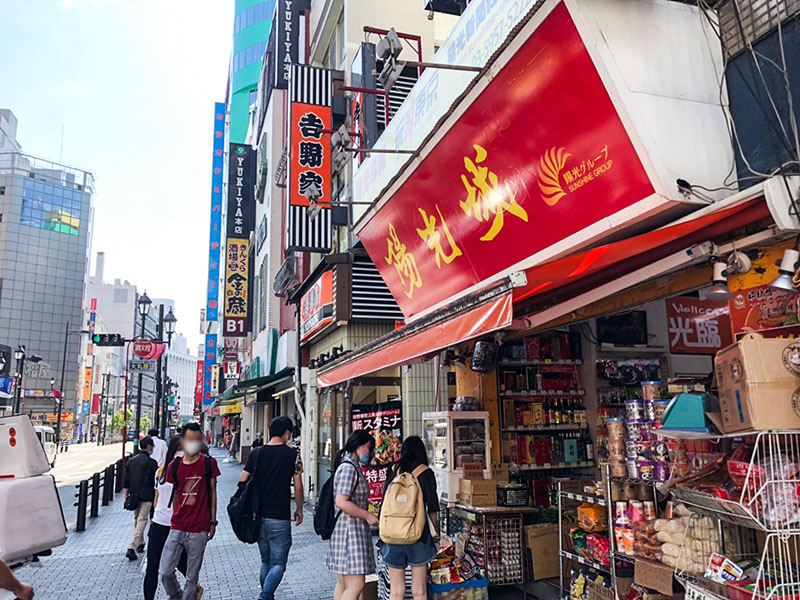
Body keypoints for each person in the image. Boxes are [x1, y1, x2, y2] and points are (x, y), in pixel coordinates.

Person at [238, 416, 304, 600]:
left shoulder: (257, 453)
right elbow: (298, 486)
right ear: (287, 433)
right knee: (279, 563)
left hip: (258, 516)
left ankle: (268, 596)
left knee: (265, 561)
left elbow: (242, 479)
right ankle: (265, 595)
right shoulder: (292, 455)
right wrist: (299, 508)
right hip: (280, 516)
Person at [159, 422, 220, 600]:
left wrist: (212, 522)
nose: (194, 443)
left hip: (199, 528)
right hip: (178, 525)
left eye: (197, 439)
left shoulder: (209, 463)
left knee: (191, 578)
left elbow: (213, 493)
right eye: (190, 439)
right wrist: (174, 517)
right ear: (183, 441)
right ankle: (177, 596)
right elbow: (176, 493)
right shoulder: (174, 466)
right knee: (165, 572)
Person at [379, 436, 440, 600]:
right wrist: (435, 535)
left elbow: (385, 502)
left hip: (392, 535)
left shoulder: (393, 469)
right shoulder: (425, 472)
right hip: (418, 535)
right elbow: (433, 508)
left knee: (396, 590)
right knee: (419, 590)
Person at [328, 430, 378, 600]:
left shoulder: (349, 465)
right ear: (359, 446)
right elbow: (341, 501)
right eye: (368, 447)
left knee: (344, 584)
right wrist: (367, 515)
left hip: (344, 532)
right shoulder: (349, 468)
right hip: (350, 533)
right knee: (356, 584)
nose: (368, 452)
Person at [143, 436, 188, 600]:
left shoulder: (164, 471)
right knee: (156, 567)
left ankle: (186, 592)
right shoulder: (162, 471)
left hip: (169, 524)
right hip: (165, 524)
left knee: (177, 564)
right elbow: (157, 499)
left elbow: (157, 499)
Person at [124, 436, 158, 560]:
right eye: (152, 446)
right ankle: (131, 547)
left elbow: (126, 481)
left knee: (137, 519)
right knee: (142, 519)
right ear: (148, 447)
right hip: (147, 495)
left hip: (134, 495)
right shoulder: (152, 462)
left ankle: (140, 543)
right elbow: (155, 482)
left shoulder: (131, 461)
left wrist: (126, 496)